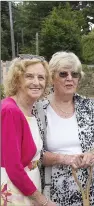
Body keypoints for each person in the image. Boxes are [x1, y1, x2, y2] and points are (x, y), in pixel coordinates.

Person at [37, 51, 94, 206]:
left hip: (91, 194)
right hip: (55, 196)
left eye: (75, 74)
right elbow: (34, 154)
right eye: (63, 74)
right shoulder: (39, 110)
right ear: (52, 78)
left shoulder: (88, 106)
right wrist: (65, 159)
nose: (70, 78)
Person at [1, 54, 56, 205]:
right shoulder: (10, 111)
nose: (36, 82)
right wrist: (43, 201)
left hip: (27, 189)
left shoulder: (29, 110)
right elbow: (13, 168)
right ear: (17, 80)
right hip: (15, 194)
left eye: (41, 77)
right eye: (29, 76)